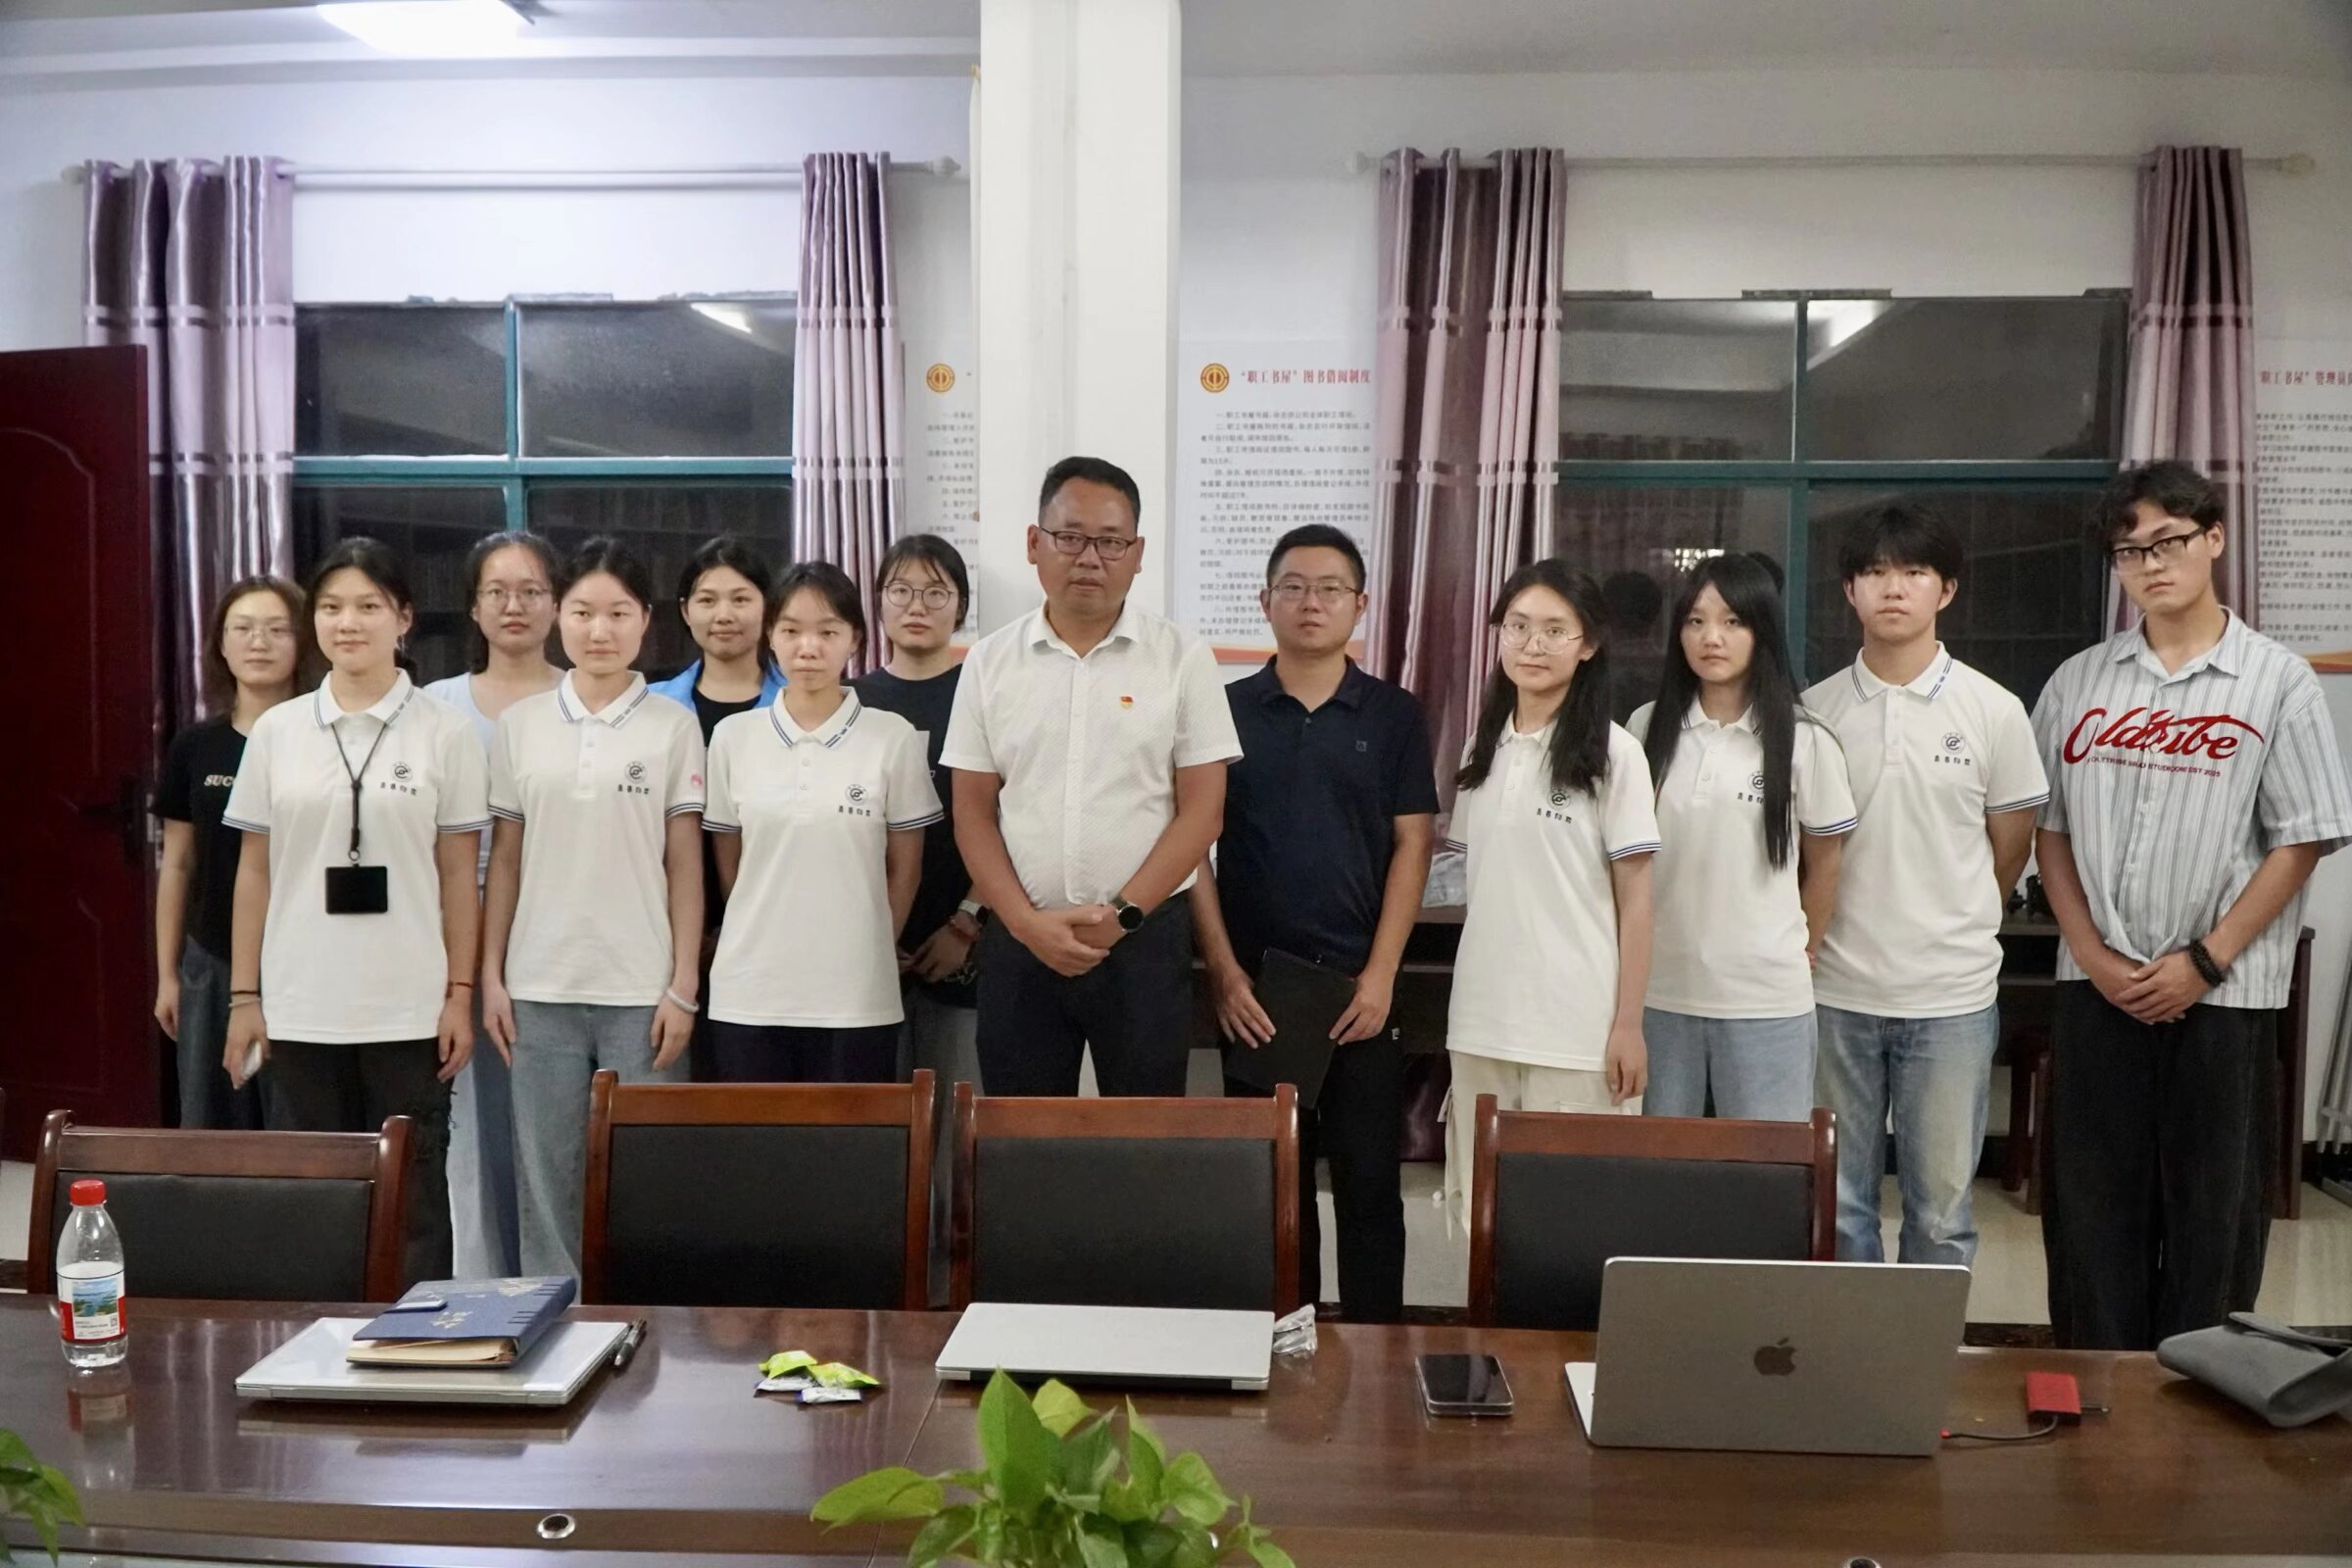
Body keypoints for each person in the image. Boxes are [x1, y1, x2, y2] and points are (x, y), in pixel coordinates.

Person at [2033, 462, 2352, 1348]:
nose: (2150, 564)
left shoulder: (2277, 681)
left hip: (2226, 993)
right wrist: (2093, 956)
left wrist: (2206, 960)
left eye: (2168, 541)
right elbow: (2050, 831)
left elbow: (2303, 838)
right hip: (2098, 987)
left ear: (2213, 538)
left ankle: (2199, 1387)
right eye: (2129, 551)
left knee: (2216, 1209)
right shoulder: (2078, 683)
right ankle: (2099, 1386)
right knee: (2091, 1205)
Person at [221, 538, 488, 1283]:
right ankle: (322, 1337)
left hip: (409, 1006)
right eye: (332, 607)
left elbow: (459, 875)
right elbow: (254, 872)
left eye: (368, 606)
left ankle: (419, 1335)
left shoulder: (445, 731)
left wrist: (458, 994)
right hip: (300, 1005)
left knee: (416, 1197)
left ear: (402, 618)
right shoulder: (278, 731)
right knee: (315, 1198)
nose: (348, 623)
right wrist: (245, 996)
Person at [1191, 523, 1436, 1321]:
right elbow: (1192, 846)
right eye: (1293, 587)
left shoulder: (1394, 714)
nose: (1310, 603)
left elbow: (1413, 843)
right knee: (1274, 1194)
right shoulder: (1223, 712)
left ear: (1360, 606)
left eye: (1330, 589)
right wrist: (1224, 974)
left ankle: (1377, 1361)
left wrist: (1382, 976)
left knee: (1370, 1190)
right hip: (1259, 996)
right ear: (1264, 601)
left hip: (1359, 993)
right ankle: (1282, 1357)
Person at [941, 456, 1243, 1097]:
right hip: (1021, 941)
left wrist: (1123, 916)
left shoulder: (1182, 659)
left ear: (1137, 554)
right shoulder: (989, 663)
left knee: (1145, 1135)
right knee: (1017, 1135)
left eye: (1110, 542)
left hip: (1143, 943)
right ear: (1034, 543)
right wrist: (1024, 924)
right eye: (1070, 537)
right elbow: (972, 813)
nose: (1089, 558)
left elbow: (1202, 813)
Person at [1804, 502, 2047, 1266]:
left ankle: (1922, 1348)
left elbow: (2010, 849)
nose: (1893, 588)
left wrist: (1958, 916)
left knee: (1941, 1212)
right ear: (1850, 590)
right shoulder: (1814, 712)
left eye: (1913, 571)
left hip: (1950, 998)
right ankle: (1846, 1345)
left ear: (1946, 589)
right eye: (1875, 572)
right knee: (1837, 1209)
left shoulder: (1994, 710)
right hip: (1834, 993)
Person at [481, 537, 705, 1280]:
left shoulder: (673, 725)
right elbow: (504, 860)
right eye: (582, 612)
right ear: (558, 617)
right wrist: (492, 977)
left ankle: (650, 1321)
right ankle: (559, 1318)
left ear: (646, 621)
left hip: (642, 991)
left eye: (617, 613)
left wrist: (683, 984)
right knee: (547, 1175)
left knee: (649, 1171)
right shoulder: (521, 726)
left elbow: (684, 863)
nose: (598, 630)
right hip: (538, 987)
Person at [1441, 560, 1658, 1232]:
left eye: (1555, 630)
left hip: (1576, 1028)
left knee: (1571, 1221)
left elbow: (1638, 899)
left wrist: (1628, 1025)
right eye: (1518, 627)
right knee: (1482, 1216)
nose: (1532, 644)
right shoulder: (1482, 748)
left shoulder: (1615, 754)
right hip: (1481, 1021)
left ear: (1588, 644)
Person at [1629, 554, 1854, 1121]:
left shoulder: (1806, 739)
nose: (1712, 638)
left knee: (1765, 1163)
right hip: (1658, 992)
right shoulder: (1645, 728)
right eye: (1696, 621)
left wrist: (1802, 948)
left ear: (1763, 630)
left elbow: (1825, 864)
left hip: (1766, 998)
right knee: (1657, 1160)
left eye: (1733, 621)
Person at [704, 563, 939, 1082]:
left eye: (827, 632)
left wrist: (873, 946)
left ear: (855, 638)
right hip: (750, 993)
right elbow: (732, 868)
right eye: (791, 630)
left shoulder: (892, 737)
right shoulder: (733, 737)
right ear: (770, 635)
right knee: (757, 1136)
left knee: (853, 1133)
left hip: (857, 997)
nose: (808, 648)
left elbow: (905, 869)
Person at [424, 529, 561, 1279]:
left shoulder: (583, 696)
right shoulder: (435, 706)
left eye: (531, 591)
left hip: (553, 924)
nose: (515, 606)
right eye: (497, 592)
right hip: (452, 925)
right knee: (470, 1120)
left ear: (556, 605)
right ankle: (478, 1284)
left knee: (545, 1122)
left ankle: (555, 1284)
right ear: (473, 608)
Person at [853, 534, 982, 1303]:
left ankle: (948, 1299)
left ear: (960, 606)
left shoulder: (984, 693)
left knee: (959, 1139)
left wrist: (967, 921)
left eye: (936, 592)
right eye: (901, 590)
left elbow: (1011, 819)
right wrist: (874, 935)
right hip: (862, 952)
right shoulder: (850, 700)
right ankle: (882, 1297)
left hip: (965, 946)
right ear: (878, 603)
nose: (917, 606)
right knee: (877, 1129)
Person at [153, 576, 304, 1131]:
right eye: (243, 628)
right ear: (221, 644)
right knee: (210, 1127)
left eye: (276, 629)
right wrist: (168, 975)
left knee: (296, 1129)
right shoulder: (195, 745)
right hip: (211, 959)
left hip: (301, 960)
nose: (258, 642)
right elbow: (178, 864)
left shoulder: (321, 741)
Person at [651, 537, 784, 1081]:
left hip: (770, 938)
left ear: (768, 608)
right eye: (707, 600)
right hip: (662, 940)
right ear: (685, 611)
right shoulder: (652, 708)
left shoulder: (804, 706)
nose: (723, 614)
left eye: (741, 598)